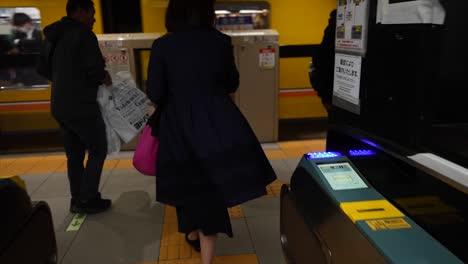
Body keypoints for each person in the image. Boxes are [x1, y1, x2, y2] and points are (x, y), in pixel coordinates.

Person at [146, 0, 277, 263]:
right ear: (208, 13)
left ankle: (195, 236)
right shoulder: (220, 42)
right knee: (211, 187)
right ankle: (202, 245)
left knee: (186, 183)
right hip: (218, 122)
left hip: (177, 125)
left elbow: (155, 93)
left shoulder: (163, 45)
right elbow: (232, 82)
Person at [37, 0, 113, 214]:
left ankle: (77, 199)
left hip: (59, 104)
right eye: (92, 13)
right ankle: (88, 198)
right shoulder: (83, 35)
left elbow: (41, 68)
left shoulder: (52, 35)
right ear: (80, 11)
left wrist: (63, 78)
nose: (94, 19)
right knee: (98, 149)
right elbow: (94, 69)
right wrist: (102, 76)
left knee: (74, 154)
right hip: (81, 105)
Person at [310, 9, 337, 112]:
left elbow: (321, 58)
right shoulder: (335, 30)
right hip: (332, 90)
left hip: (327, 91)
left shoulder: (330, 30)